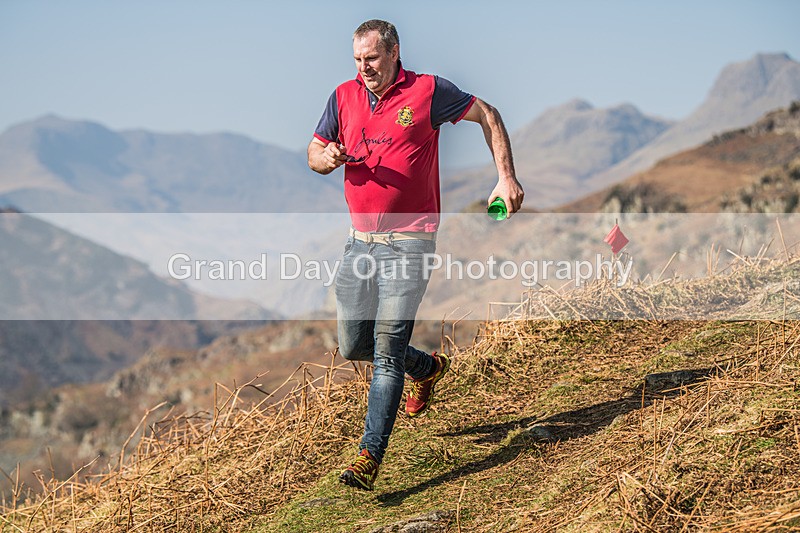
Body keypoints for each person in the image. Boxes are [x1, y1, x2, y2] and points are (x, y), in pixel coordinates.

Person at [307, 19, 523, 491]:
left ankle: (368, 456)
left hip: (410, 242)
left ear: (394, 53)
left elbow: (488, 114)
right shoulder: (342, 97)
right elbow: (315, 151)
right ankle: (428, 368)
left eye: (372, 58)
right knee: (354, 345)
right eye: (357, 60)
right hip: (359, 242)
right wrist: (326, 158)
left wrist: (505, 177)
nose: (364, 68)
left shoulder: (427, 91)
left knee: (387, 352)